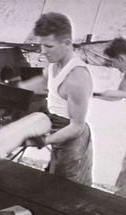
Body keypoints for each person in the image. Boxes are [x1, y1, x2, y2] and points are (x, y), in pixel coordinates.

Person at [19, 12, 94, 186]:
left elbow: (77, 126)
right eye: (41, 45)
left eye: (49, 46)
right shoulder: (54, 63)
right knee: (53, 179)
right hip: (55, 126)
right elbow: (44, 79)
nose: (42, 51)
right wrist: (13, 88)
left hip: (73, 137)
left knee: (69, 189)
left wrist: (43, 141)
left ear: (67, 43)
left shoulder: (77, 78)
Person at [95, 37, 126, 200]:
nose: (113, 66)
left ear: (121, 58)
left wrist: (122, 94)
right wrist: (95, 94)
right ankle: (122, 199)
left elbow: (122, 95)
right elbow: (117, 96)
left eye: (113, 62)